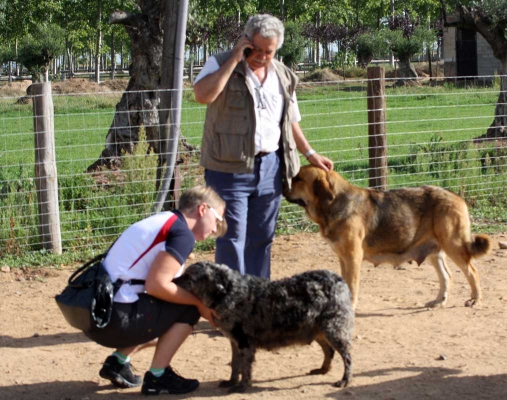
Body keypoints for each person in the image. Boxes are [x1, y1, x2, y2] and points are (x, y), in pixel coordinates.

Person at [193, 14, 333, 279]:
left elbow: (290, 121)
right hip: (228, 168)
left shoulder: (283, 75)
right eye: (255, 49)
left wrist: (310, 153)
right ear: (245, 41)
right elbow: (202, 95)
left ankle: (258, 301)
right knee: (231, 237)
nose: (261, 56)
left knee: (262, 237)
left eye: (268, 51)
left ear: (276, 48)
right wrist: (235, 59)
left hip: (271, 167)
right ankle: (231, 306)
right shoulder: (221, 63)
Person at [85, 185, 226, 396]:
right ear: (202, 209)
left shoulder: (165, 220)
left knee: (171, 303)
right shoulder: (182, 234)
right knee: (187, 308)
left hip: (95, 312)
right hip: (113, 319)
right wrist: (199, 303)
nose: (216, 228)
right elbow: (157, 285)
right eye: (217, 219)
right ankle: (158, 377)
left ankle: (118, 362)